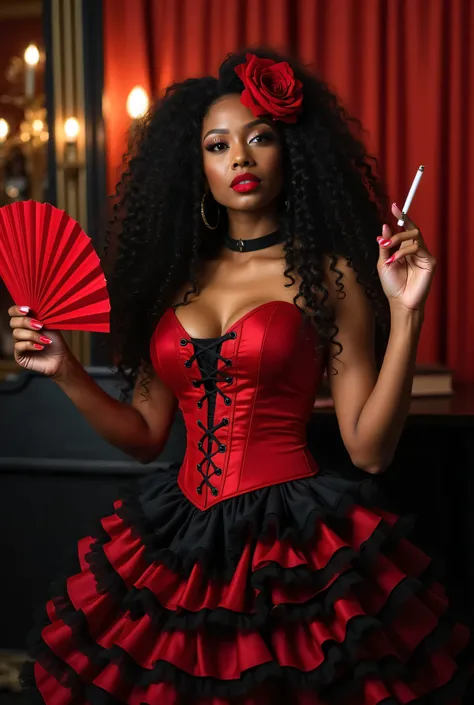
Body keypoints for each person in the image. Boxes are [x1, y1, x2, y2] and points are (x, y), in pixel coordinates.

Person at [8, 48, 471, 704]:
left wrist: (407, 314)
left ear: (291, 153)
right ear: (195, 166)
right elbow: (145, 434)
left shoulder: (331, 274)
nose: (241, 158)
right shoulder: (173, 278)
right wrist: (65, 370)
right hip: (178, 537)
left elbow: (369, 447)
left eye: (260, 138)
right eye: (218, 145)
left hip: (294, 545)